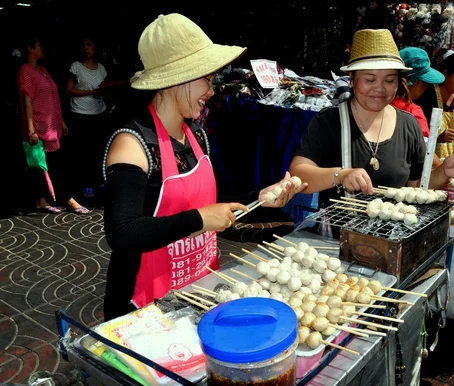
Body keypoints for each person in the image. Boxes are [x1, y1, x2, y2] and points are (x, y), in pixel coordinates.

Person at [102, 14, 306, 320]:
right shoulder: (132, 144)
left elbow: (213, 203)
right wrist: (198, 219)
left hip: (196, 292)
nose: (212, 90)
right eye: (207, 79)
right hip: (142, 310)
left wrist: (261, 199)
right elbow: (121, 233)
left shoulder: (196, 136)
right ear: (177, 79)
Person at [289, 29, 454, 211]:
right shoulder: (328, 122)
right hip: (338, 241)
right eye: (370, 80)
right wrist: (340, 175)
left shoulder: (408, 125)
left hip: (395, 239)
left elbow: (416, 187)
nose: (380, 89)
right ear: (351, 78)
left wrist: (444, 172)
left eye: (389, 80)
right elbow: (298, 174)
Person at [17, 36, 89, 214]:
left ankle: (50, 199)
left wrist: (61, 120)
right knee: (43, 164)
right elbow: (27, 100)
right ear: (30, 48)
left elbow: (53, 97)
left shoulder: (43, 70)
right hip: (39, 126)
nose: (42, 48)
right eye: (39, 45)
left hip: (52, 125)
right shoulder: (25, 71)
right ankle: (60, 199)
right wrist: (31, 129)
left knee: (54, 163)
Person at [66, 36, 109, 195]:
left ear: (95, 47)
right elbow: (69, 90)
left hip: (98, 112)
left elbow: (105, 87)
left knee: (97, 150)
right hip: (80, 113)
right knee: (82, 151)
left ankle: (97, 184)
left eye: (89, 44)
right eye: (83, 45)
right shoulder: (76, 67)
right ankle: (82, 186)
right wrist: (92, 92)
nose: (86, 48)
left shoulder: (101, 69)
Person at [392, 47, 445, 169]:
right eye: (426, 84)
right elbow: (426, 154)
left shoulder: (380, 105)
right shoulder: (413, 112)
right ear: (418, 83)